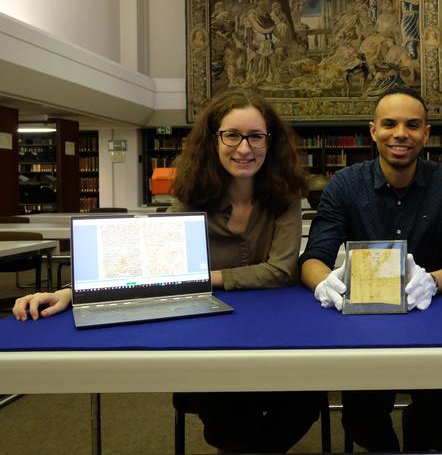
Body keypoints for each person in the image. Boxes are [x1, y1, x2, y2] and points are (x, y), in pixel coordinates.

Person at [13, 89, 320, 454]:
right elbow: (145, 266)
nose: (244, 148)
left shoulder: (285, 197)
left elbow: (281, 271)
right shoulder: (190, 198)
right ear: (213, 139)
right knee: (228, 412)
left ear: (269, 142)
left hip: (274, 328)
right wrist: (67, 293)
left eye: (256, 136)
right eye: (231, 135)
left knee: (307, 395)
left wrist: (200, 279)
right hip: (203, 335)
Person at [299, 86, 442, 452]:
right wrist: (324, 283)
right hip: (365, 323)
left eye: (412, 125)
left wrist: (432, 281)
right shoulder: (345, 184)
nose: (401, 133)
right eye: (390, 124)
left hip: (434, 317)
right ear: (373, 131)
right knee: (361, 421)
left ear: (426, 134)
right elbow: (313, 257)